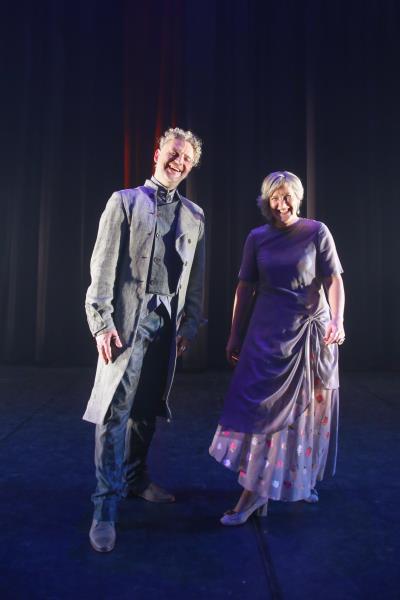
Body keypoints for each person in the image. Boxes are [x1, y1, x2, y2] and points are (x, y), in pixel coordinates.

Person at [84, 127, 205, 551]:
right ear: (158, 153)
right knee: (114, 411)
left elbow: (195, 278)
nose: (179, 161)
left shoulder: (194, 215)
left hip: (166, 324)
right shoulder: (124, 201)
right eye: (174, 152)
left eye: (186, 159)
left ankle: (136, 480)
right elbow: (102, 266)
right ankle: (104, 506)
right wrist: (101, 321)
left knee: (148, 407)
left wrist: (190, 323)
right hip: (127, 320)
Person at [210, 171, 345, 525]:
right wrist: (234, 334)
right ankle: (255, 491)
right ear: (266, 202)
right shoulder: (257, 238)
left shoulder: (317, 231)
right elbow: (245, 288)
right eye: (274, 198)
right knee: (264, 412)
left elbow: (333, 279)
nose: (281, 204)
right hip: (268, 335)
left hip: (310, 335)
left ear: (298, 197)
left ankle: (298, 479)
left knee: (307, 411)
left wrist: (338, 320)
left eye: (287, 197)